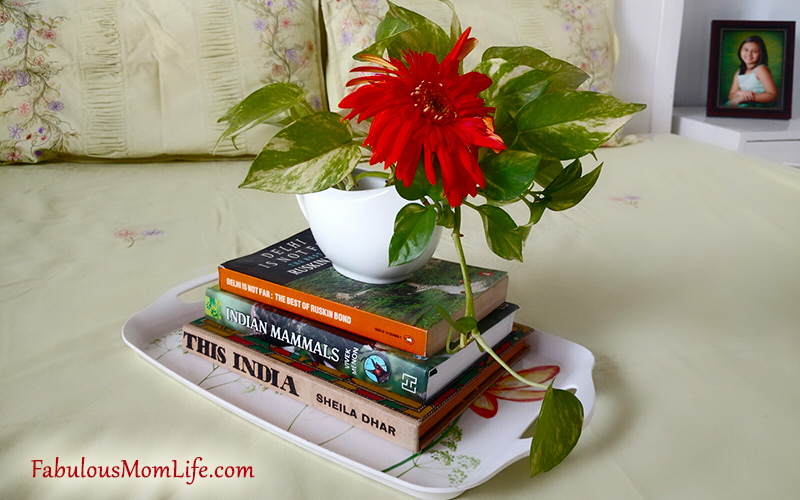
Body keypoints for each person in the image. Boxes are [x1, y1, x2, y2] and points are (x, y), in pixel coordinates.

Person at [726, 35, 778, 107]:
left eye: (755, 51)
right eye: (746, 50)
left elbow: (773, 95)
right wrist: (739, 93)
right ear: (740, 50)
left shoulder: (761, 69)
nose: (749, 54)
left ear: (761, 54)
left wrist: (746, 98)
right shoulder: (739, 72)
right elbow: (731, 95)